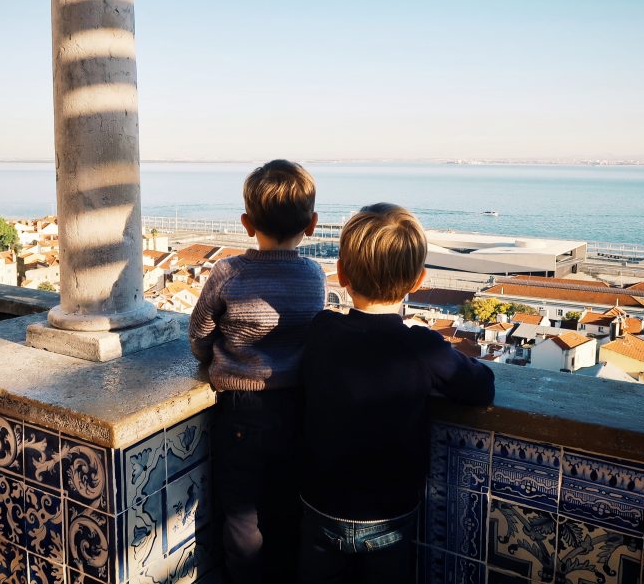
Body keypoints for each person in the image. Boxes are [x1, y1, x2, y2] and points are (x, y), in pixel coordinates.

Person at [299, 203, 496, 584]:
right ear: (418, 280)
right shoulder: (422, 347)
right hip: (387, 514)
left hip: (320, 504)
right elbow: (480, 388)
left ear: (341, 274)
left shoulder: (322, 330)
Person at [189, 159, 326, 584]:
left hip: (242, 413)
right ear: (313, 224)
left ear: (247, 223)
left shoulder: (229, 272)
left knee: (241, 513)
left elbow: (199, 332)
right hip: (298, 409)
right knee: (286, 507)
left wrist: (211, 359)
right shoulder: (315, 275)